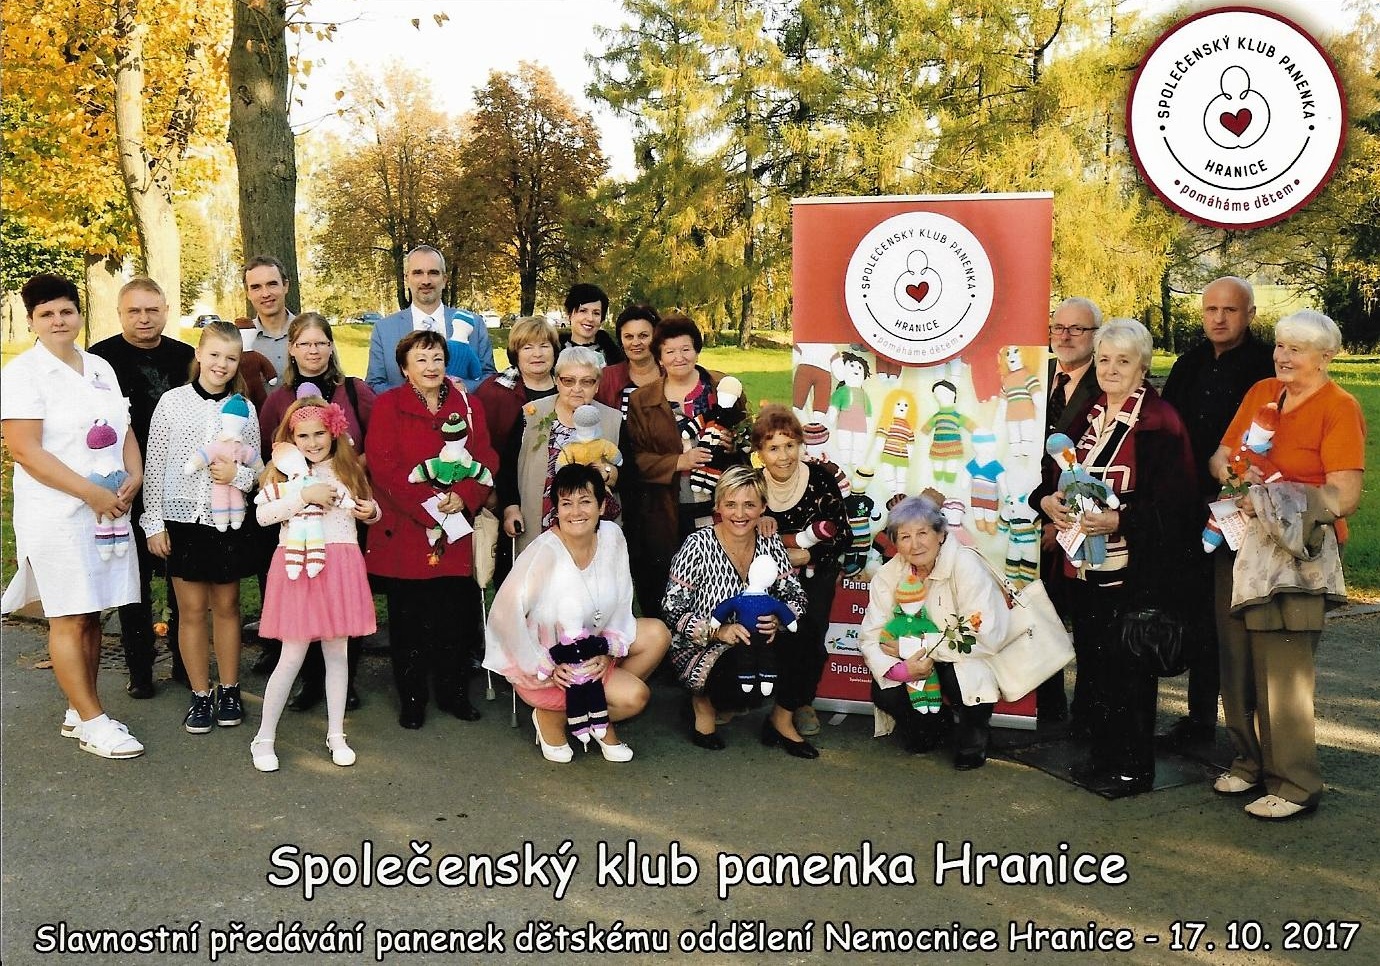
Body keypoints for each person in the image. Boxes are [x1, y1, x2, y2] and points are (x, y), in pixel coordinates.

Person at [1207, 310, 1364, 820]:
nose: (1283, 357)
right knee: (1236, 662)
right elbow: (1221, 457)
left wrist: (1273, 497)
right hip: (1241, 544)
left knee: (1283, 671)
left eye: (1296, 349)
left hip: (1297, 555)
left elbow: (1344, 495)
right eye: (1280, 345)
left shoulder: (1339, 407)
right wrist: (1235, 473)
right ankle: (1249, 762)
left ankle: (1294, 783)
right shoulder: (1262, 392)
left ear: (1326, 357)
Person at [1033, 318, 1198, 795]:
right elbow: (1053, 476)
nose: (1110, 369)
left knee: (1130, 671)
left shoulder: (1160, 421)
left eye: (1123, 361)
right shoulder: (1088, 414)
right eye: (1104, 359)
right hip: (1084, 565)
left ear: (1142, 367)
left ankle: (1133, 767)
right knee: (1096, 665)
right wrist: (1046, 502)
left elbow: (1177, 505)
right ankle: (1103, 757)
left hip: (1134, 572)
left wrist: (1120, 520)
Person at [1, 274, 145, 759]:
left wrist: (135, 474)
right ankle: (94, 722)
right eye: (46, 314)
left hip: (107, 510)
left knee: (92, 611)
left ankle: (79, 710)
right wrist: (90, 494)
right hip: (58, 512)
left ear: (79, 314)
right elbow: (26, 451)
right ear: (31, 321)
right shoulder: (23, 374)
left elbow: (123, 427)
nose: (58, 321)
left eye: (66, 311)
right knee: (67, 614)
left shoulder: (99, 366)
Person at [484, 464, 671, 763]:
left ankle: (589, 711)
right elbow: (504, 617)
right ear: (556, 509)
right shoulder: (544, 553)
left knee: (657, 634)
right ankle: (552, 716)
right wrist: (542, 664)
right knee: (635, 697)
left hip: (593, 647)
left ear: (601, 506)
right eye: (566, 503)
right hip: (552, 668)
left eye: (585, 501)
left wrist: (608, 651)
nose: (575, 512)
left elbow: (623, 599)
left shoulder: (612, 536)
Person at [1159, 276, 1276, 748]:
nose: (1219, 318)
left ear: (1250, 314)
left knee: (1235, 618)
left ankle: (1249, 730)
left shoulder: (1267, 366)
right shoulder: (1188, 364)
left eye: (1230, 310)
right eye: (1211, 310)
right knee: (1198, 612)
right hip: (1190, 505)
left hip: (1244, 505)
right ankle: (1199, 719)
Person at [364, 330, 497, 729]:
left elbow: (486, 457)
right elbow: (383, 467)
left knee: (454, 619)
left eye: (437, 358)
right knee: (409, 622)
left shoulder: (468, 405)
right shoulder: (388, 405)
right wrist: (430, 509)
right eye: (421, 359)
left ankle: (454, 694)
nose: (431, 366)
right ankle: (413, 699)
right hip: (407, 528)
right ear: (404, 368)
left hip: (455, 528)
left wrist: (465, 496)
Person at [142, 319, 263, 735]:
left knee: (227, 607)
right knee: (191, 611)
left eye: (231, 358)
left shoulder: (244, 409)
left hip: (226, 521)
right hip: (183, 520)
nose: (221, 364)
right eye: (214, 355)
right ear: (198, 354)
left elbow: (258, 468)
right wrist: (153, 522)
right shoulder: (172, 403)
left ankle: (229, 689)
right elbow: (155, 465)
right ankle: (200, 693)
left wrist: (237, 477)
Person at [249, 396, 381, 773]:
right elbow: (263, 516)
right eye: (302, 436)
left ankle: (336, 733)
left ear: (333, 432)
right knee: (292, 655)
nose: (312, 442)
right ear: (291, 438)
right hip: (300, 565)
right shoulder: (283, 474)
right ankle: (264, 736)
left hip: (340, 565)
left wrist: (371, 512)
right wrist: (303, 496)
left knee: (337, 653)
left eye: (319, 433)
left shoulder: (347, 469)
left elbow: (368, 507)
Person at [256, 312, 378, 710]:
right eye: (305, 343)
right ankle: (309, 683)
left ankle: (345, 683)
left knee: (340, 602)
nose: (314, 350)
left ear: (330, 346)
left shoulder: (352, 390)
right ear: (292, 349)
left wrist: (349, 472)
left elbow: (373, 437)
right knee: (304, 602)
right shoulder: (279, 399)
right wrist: (298, 486)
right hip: (298, 516)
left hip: (344, 502)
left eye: (321, 342)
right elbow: (272, 448)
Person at [89, 277, 194, 697]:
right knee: (133, 580)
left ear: (166, 311)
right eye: (134, 311)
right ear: (120, 314)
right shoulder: (101, 359)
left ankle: (186, 664)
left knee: (182, 578)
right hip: (124, 482)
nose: (144, 318)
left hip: (180, 481)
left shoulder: (186, 357)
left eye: (152, 310)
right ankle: (140, 668)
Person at [662, 467, 814, 757]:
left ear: (763, 507)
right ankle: (702, 704)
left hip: (758, 641)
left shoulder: (770, 541)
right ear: (718, 506)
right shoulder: (697, 544)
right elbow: (671, 608)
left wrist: (778, 621)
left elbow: (796, 595)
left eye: (749, 504)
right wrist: (716, 631)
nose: (740, 514)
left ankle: (780, 722)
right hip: (705, 646)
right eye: (731, 504)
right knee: (734, 683)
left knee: (808, 635)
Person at [859, 495, 1014, 770]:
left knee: (961, 678)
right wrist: (899, 670)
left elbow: (982, 633)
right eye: (905, 537)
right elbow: (870, 637)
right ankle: (933, 725)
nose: (915, 544)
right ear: (895, 543)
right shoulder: (887, 575)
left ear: (941, 534)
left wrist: (914, 646)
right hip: (917, 663)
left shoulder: (965, 564)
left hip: (964, 657)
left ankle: (974, 738)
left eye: (922, 533)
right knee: (885, 691)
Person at [625, 313, 746, 619]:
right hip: (665, 509)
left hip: (717, 505)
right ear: (659, 358)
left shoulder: (723, 387)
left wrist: (735, 445)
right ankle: (668, 639)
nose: (679, 357)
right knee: (666, 582)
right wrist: (679, 461)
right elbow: (635, 459)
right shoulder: (642, 400)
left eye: (686, 349)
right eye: (670, 351)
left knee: (717, 575)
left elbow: (749, 442)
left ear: (697, 351)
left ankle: (717, 634)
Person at [750, 406, 850, 738]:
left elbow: (843, 534)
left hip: (815, 571)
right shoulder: (752, 485)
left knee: (809, 633)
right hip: (765, 575)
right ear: (760, 452)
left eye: (790, 445)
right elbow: (734, 530)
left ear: (800, 445)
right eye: (773, 448)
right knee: (766, 632)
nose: (783, 456)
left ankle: (800, 702)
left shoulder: (820, 478)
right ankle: (748, 698)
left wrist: (808, 553)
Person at [1036, 296, 1104, 724]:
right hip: (1028, 511)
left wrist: (1057, 520)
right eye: (1058, 327)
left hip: (1079, 520)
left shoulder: (1106, 382)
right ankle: (1045, 707)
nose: (1065, 335)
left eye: (1077, 329)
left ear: (1095, 336)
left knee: (1082, 621)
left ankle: (1087, 717)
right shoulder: (1035, 375)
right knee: (1037, 615)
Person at [499, 346, 622, 556]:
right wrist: (511, 508)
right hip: (537, 522)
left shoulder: (613, 419)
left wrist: (608, 472)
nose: (577, 389)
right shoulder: (532, 414)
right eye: (568, 381)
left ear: (597, 385)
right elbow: (508, 467)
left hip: (591, 527)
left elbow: (630, 475)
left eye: (587, 381)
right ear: (557, 381)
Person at [366, 245, 497, 392]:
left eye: (433, 273)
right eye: (418, 273)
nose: (426, 281)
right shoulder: (384, 329)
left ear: (444, 279)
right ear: (407, 279)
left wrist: (462, 389)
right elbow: (374, 385)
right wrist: (412, 395)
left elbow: (490, 378)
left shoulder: (473, 324)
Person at [596, 304, 661, 417]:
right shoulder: (605, 378)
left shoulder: (671, 375)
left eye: (643, 336)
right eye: (629, 337)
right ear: (621, 340)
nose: (636, 343)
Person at [242, 255, 294, 380]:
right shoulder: (238, 340)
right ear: (247, 293)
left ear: (285, 286)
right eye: (256, 287)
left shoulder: (311, 333)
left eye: (272, 284)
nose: (265, 294)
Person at [558, 282, 624, 365]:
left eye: (596, 313)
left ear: (602, 319)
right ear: (569, 314)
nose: (590, 318)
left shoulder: (616, 360)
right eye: (583, 311)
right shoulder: (552, 354)